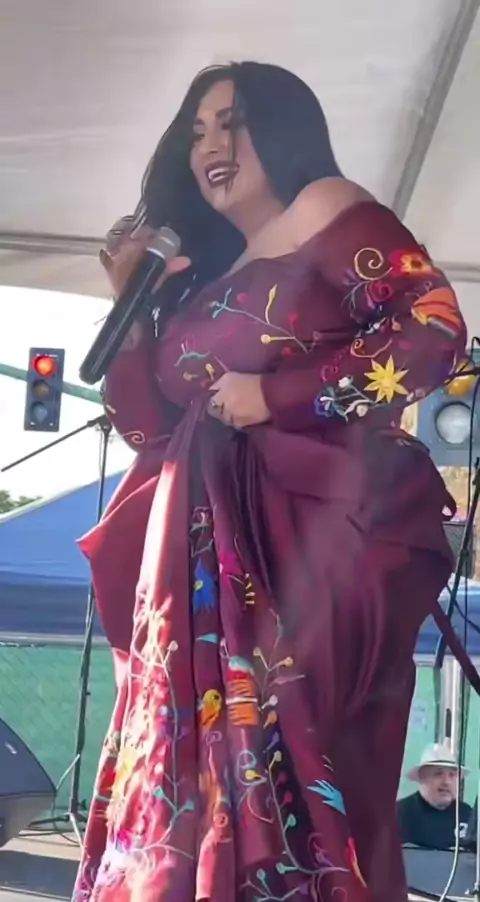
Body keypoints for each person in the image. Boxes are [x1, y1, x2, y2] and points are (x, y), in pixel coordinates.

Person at [72, 61, 470, 902]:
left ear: (283, 128)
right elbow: (150, 432)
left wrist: (277, 395)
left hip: (307, 544)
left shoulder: (324, 207)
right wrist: (132, 309)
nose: (210, 146)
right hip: (193, 559)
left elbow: (432, 328)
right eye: (197, 132)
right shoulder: (201, 278)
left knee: (293, 763)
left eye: (232, 122)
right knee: (196, 775)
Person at [397, 743, 471, 849]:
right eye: (438, 774)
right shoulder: (400, 813)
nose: (446, 782)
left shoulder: (466, 814)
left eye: (452, 775)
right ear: (421, 778)